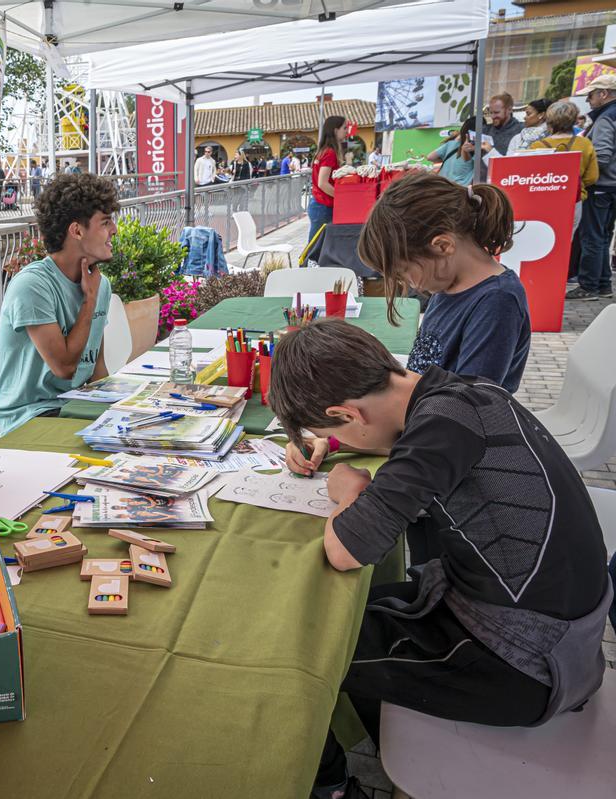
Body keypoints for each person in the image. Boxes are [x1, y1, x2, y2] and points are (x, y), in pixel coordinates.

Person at [267, 320, 609, 799]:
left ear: (347, 411)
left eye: (330, 427)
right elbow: (409, 450)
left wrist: (351, 491)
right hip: (554, 629)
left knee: (297, 646)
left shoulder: (436, 432)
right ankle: (380, 738)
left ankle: (334, 788)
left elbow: (344, 550)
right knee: (338, 617)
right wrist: (335, 439)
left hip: (525, 662)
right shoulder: (460, 394)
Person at [358, 171, 530, 392]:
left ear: (442, 246)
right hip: (426, 408)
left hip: (453, 421)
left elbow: (470, 402)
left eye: (404, 272)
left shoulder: (497, 301)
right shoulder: (446, 283)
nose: (409, 284)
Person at [0, 173, 116, 434]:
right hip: (31, 417)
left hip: (77, 408)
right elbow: (65, 367)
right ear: (77, 230)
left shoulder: (99, 284)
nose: (114, 230)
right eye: (105, 223)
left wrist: (118, 408)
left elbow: (97, 368)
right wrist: (89, 301)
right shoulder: (32, 286)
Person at [568, 73, 616, 301]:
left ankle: (589, 285)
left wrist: (585, 174)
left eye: (591, 95)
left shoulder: (606, 118)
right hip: (611, 187)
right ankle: (603, 284)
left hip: (601, 187)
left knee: (593, 238)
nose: (588, 100)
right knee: (603, 237)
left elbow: (603, 155)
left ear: (603, 94)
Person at [531, 99, 599, 234]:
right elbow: (592, 177)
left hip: (543, 200)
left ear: (549, 121)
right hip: (573, 200)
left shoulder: (536, 146)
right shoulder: (585, 144)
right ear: (574, 120)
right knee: (567, 241)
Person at [307, 115, 348, 265]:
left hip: (319, 205)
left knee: (315, 247)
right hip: (322, 206)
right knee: (313, 251)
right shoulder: (330, 152)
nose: (347, 131)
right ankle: (305, 277)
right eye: (344, 128)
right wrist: (343, 198)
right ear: (335, 130)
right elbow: (323, 183)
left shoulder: (324, 151)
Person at [426, 116, 490, 187]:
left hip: (441, 186)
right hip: (457, 191)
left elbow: (430, 157)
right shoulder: (477, 150)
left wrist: (447, 160)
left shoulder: (451, 144)